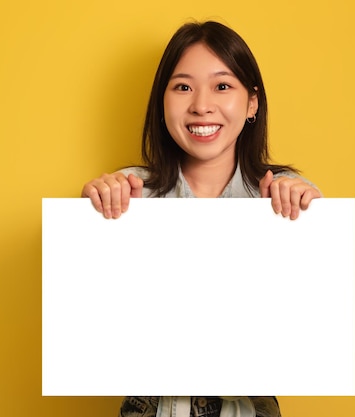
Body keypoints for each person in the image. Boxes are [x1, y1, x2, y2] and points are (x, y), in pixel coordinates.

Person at [81, 20, 322, 417]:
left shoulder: (282, 195)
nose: (201, 105)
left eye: (222, 86)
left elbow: (306, 324)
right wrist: (94, 213)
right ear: (162, 101)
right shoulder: (132, 193)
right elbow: (95, 320)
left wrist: (308, 216)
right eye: (183, 86)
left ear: (252, 103)